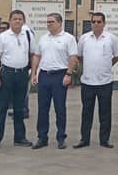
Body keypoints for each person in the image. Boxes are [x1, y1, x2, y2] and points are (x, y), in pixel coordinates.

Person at [30, 13, 78, 150]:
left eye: (51, 22)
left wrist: (68, 74)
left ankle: (61, 137)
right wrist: (34, 73)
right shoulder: (44, 38)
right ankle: (42, 137)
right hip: (44, 75)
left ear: (59, 23)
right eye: (47, 22)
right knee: (42, 109)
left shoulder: (68, 38)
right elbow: (37, 56)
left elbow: (73, 57)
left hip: (60, 75)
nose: (48, 24)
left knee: (60, 108)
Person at [73, 12, 118, 149]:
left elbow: (117, 56)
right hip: (88, 82)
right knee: (86, 112)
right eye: (94, 22)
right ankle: (84, 139)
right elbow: (79, 56)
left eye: (99, 22)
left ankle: (104, 140)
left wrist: (105, 66)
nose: (96, 24)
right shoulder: (84, 38)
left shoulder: (111, 38)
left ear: (104, 23)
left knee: (105, 113)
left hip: (105, 82)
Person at [0, 10, 35, 149]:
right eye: (15, 19)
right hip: (7, 74)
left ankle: (20, 137)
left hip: (22, 74)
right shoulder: (2, 37)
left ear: (23, 21)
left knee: (19, 108)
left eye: (20, 19)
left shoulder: (27, 35)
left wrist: (33, 74)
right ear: (10, 21)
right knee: (2, 107)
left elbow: (33, 55)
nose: (17, 21)